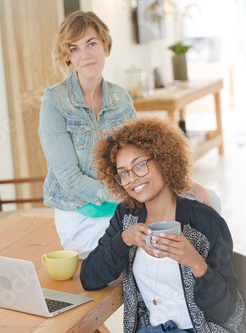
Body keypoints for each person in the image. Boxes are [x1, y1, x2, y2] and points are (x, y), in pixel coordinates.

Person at [38, 11, 216, 259]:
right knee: (160, 234)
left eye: (91, 44)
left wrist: (182, 184)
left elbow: (144, 152)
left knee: (207, 201)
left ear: (105, 46)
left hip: (122, 205)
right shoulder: (55, 101)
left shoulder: (120, 98)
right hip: (80, 217)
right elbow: (69, 177)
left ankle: (208, 280)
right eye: (74, 48)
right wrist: (131, 192)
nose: (85, 54)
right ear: (68, 56)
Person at [81, 117, 246, 333]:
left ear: (162, 159)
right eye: (123, 173)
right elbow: (89, 278)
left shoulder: (205, 221)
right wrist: (124, 240)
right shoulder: (126, 216)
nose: (132, 179)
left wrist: (197, 264)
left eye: (139, 165)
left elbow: (228, 311)